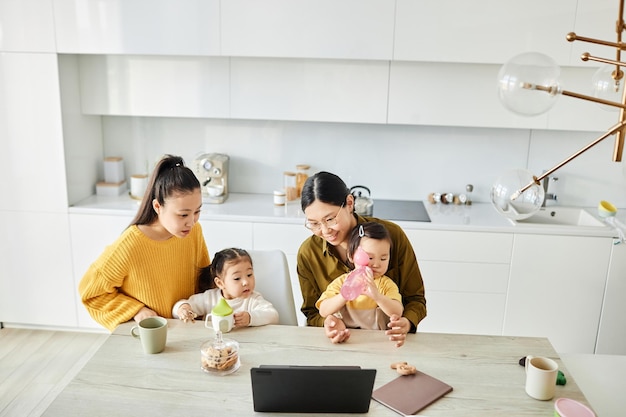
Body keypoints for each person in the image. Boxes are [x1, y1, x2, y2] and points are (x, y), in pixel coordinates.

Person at [79, 155, 210, 332]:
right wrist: (136, 310)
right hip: (152, 337)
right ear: (157, 207)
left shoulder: (194, 232)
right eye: (183, 215)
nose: (191, 221)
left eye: (197, 211)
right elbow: (91, 293)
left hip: (189, 332)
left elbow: (204, 282)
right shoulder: (130, 244)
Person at [297, 171, 427, 346]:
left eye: (330, 219)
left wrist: (406, 322)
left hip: (389, 343)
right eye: (314, 224)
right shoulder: (308, 253)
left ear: (349, 203)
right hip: (339, 346)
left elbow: (415, 300)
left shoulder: (390, 236)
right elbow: (312, 312)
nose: (325, 230)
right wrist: (327, 324)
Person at [316, 222, 403, 335]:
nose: (376, 264)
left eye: (383, 258)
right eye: (370, 257)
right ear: (351, 256)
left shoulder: (385, 284)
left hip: (377, 340)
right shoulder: (342, 282)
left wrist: (377, 297)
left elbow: (397, 312)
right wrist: (344, 295)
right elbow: (323, 311)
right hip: (347, 336)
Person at [173, 248, 279, 327]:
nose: (246, 282)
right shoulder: (209, 298)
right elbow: (179, 307)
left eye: (249, 275)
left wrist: (250, 317)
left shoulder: (253, 299)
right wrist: (183, 309)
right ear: (220, 283)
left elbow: (273, 316)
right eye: (237, 278)